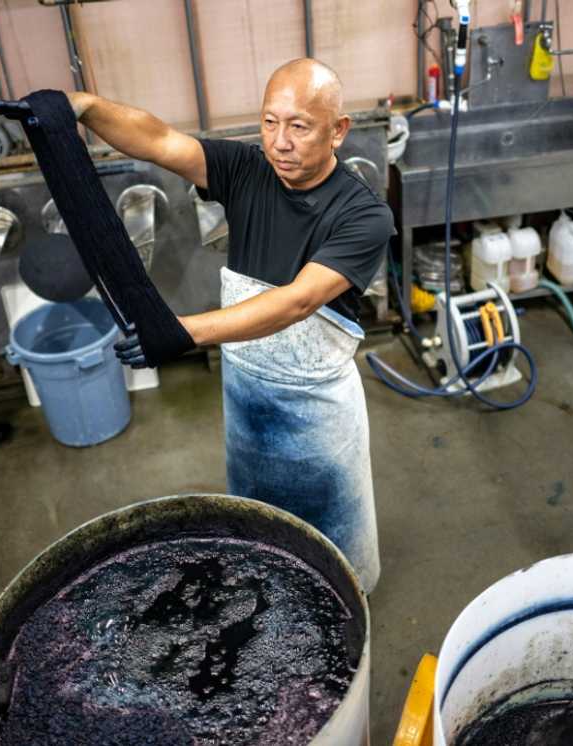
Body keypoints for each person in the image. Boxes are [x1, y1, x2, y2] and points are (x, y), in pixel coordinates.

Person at [68, 58, 392, 592]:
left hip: (316, 416)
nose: (280, 142)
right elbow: (156, 140)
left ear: (338, 131)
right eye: (270, 122)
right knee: (260, 538)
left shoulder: (363, 216)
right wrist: (82, 107)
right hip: (245, 398)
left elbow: (296, 302)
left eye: (299, 126)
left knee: (331, 559)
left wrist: (182, 331)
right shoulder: (246, 170)